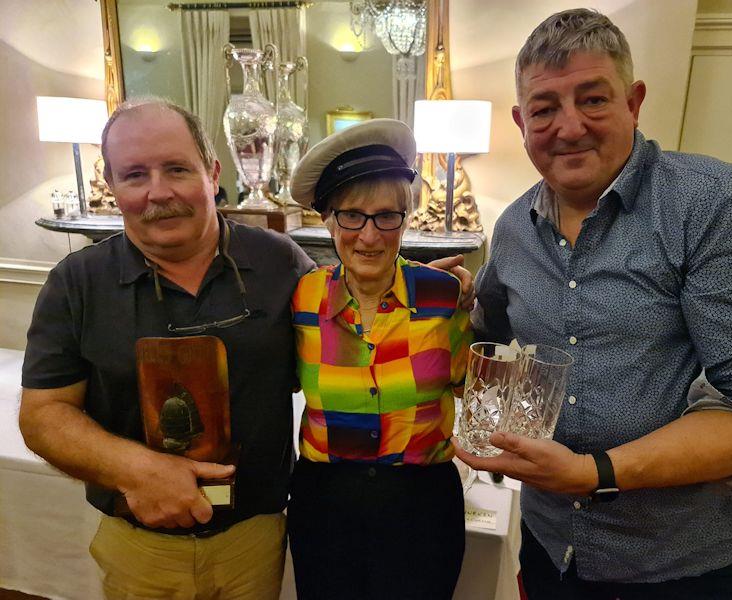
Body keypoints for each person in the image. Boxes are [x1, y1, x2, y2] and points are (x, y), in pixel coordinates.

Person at [19, 100, 473, 599]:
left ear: (212, 173)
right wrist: (138, 470)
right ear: (111, 182)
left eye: (176, 168)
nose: (158, 191)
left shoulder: (281, 265)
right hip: (140, 544)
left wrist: (433, 290)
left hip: (255, 539)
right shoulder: (76, 283)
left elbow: (365, 283)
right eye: (134, 174)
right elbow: (43, 415)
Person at [455, 8, 732, 599]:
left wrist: (596, 474)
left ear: (634, 102)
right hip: (551, 550)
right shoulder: (513, 227)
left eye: (592, 100)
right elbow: (491, 338)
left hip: (684, 565)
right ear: (520, 120)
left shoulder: (714, 205)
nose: (568, 127)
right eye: (544, 109)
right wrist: (448, 300)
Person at [286, 119, 473, 599]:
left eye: (387, 216)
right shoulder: (302, 297)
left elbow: (466, 384)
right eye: (352, 215)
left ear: (405, 219)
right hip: (326, 506)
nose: (369, 236)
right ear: (328, 219)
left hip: (423, 507)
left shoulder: (444, 294)